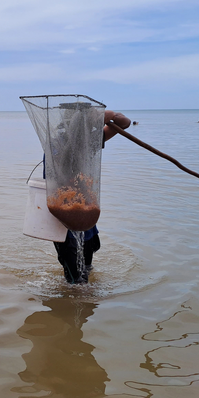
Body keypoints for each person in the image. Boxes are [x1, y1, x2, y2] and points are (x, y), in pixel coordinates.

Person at [51, 110, 131, 284]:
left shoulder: (90, 142)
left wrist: (107, 114)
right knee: (74, 277)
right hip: (62, 210)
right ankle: (75, 302)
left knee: (87, 266)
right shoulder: (56, 143)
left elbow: (125, 123)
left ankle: (87, 301)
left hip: (85, 209)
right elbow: (64, 164)